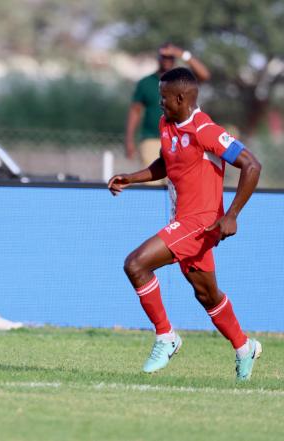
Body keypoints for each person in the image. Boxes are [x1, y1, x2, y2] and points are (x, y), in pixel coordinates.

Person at [108, 67, 262, 381]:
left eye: (164, 97)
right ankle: (245, 347)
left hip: (201, 222)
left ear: (181, 97)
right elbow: (167, 163)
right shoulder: (167, 124)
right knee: (207, 295)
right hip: (185, 223)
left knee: (136, 264)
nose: (160, 103)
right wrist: (132, 178)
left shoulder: (204, 129)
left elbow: (251, 165)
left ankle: (166, 337)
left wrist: (231, 215)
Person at [126, 43, 211, 167]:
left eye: (170, 57)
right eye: (164, 57)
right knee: (151, 182)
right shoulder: (145, 83)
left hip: (180, 138)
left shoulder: (182, 81)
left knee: (177, 182)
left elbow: (204, 75)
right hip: (152, 139)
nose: (167, 60)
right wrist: (129, 140)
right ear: (158, 58)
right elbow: (135, 111)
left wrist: (182, 53)